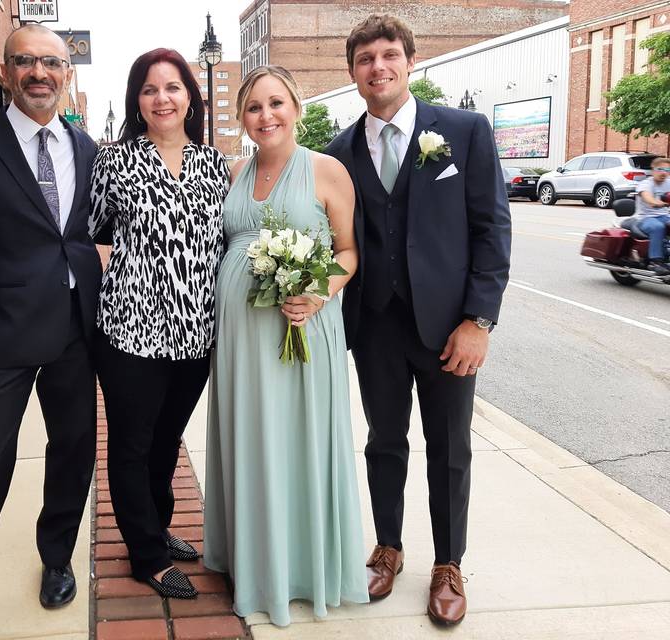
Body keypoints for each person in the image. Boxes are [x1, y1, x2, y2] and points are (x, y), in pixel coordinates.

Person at [324, 14, 511, 627]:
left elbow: (491, 230)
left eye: (388, 55)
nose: (378, 67)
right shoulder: (337, 153)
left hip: (449, 328)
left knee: (451, 449)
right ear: (352, 73)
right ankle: (388, 547)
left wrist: (479, 320)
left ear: (410, 62)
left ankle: (449, 563)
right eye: (365, 59)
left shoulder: (463, 131)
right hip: (375, 325)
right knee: (383, 442)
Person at [0, 24, 101, 640]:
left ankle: (56, 558)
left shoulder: (88, 150)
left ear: (66, 74)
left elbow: (85, 236)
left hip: (74, 334)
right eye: (26, 61)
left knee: (73, 450)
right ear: (6, 71)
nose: (40, 73)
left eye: (52, 63)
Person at [203, 64, 369, 627]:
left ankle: (302, 567)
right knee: (252, 437)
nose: (265, 115)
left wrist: (316, 292)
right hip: (242, 339)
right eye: (253, 107)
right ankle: (252, 560)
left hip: (302, 326)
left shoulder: (327, 170)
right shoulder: (232, 173)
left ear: (296, 108)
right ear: (242, 119)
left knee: (300, 438)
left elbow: (348, 252)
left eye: (276, 103)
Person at [89, 48, 229, 599]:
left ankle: (159, 523)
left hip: (196, 333)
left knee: (167, 440)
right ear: (137, 101)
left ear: (190, 96)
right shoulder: (116, 162)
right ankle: (144, 554)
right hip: (130, 332)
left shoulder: (214, 166)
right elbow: (93, 233)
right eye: (149, 90)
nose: (162, 98)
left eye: (172, 87)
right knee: (130, 444)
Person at [634, 157, 670, 276]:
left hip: (664, 216)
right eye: (660, 169)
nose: (664, 172)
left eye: (667, 170)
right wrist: (657, 202)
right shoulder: (646, 184)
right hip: (645, 218)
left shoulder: (668, 183)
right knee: (657, 227)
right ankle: (656, 262)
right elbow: (647, 198)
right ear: (653, 170)